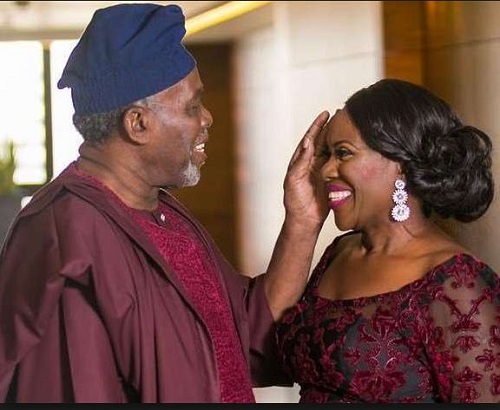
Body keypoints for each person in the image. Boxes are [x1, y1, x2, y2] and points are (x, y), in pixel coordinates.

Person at [0, 3, 330, 403]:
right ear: (138, 123)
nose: (206, 119)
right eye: (192, 107)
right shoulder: (68, 238)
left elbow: (244, 333)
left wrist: (302, 219)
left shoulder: (163, 212)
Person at [275, 78, 500, 403]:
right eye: (327, 154)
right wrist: (301, 220)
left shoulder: (458, 284)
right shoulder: (339, 253)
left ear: (401, 165)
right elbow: (262, 356)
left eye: (343, 153)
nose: (325, 171)